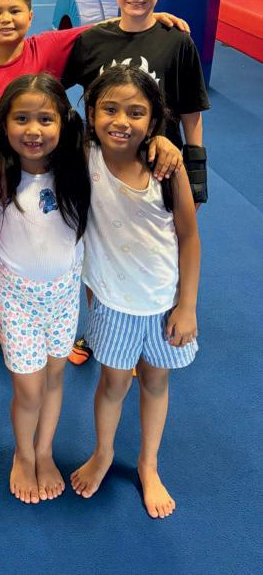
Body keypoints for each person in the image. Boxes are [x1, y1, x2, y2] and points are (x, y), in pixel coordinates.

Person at [0, 0, 185, 346]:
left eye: (15, 11)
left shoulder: (44, 46)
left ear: (30, 16)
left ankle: (69, 298)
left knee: (49, 227)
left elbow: (99, 28)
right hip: (2, 166)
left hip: (47, 164)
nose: (6, 20)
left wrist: (148, 19)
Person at [62, 0, 209, 365]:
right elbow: (56, 86)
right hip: (102, 165)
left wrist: (196, 173)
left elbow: (191, 112)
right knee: (98, 245)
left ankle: (163, 313)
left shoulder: (176, 41)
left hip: (159, 167)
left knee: (155, 243)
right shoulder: (92, 41)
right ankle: (101, 327)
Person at [70, 65, 200, 519]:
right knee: (113, 383)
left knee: (155, 382)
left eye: (136, 112)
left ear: (153, 120)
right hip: (112, 302)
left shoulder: (167, 169)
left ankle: (148, 463)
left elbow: (189, 237)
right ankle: (104, 453)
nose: (121, 121)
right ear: (91, 112)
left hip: (162, 302)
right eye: (109, 109)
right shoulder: (84, 157)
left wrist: (187, 305)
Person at [0, 73, 90, 505]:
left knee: (55, 378)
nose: (33, 130)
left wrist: (165, 145)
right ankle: (23, 454)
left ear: (63, 122)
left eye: (45, 119)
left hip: (64, 294)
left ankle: (45, 451)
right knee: (29, 388)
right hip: (17, 297)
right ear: (4, 123)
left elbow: (129, 149)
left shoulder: (79, 169)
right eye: (21, 118)